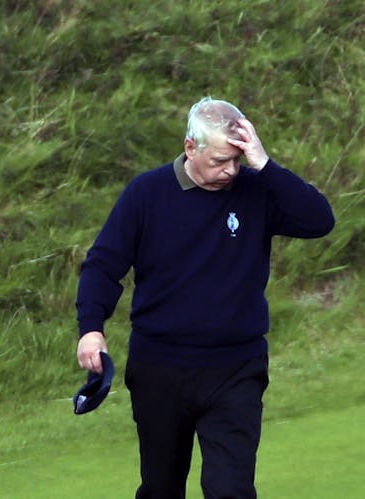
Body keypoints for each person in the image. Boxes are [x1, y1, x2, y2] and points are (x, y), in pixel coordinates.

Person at [75, 96, 335, 499]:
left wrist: (264, 164)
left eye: (236, 159)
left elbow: (319, 220)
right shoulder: (147, 193)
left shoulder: (255, 189)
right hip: (159, 367)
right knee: (161, 489)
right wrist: (91, 329)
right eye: (218, 161)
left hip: (235, 368)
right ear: (190, 148)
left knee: (230, 489)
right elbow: (103, 265)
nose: (230, 171)